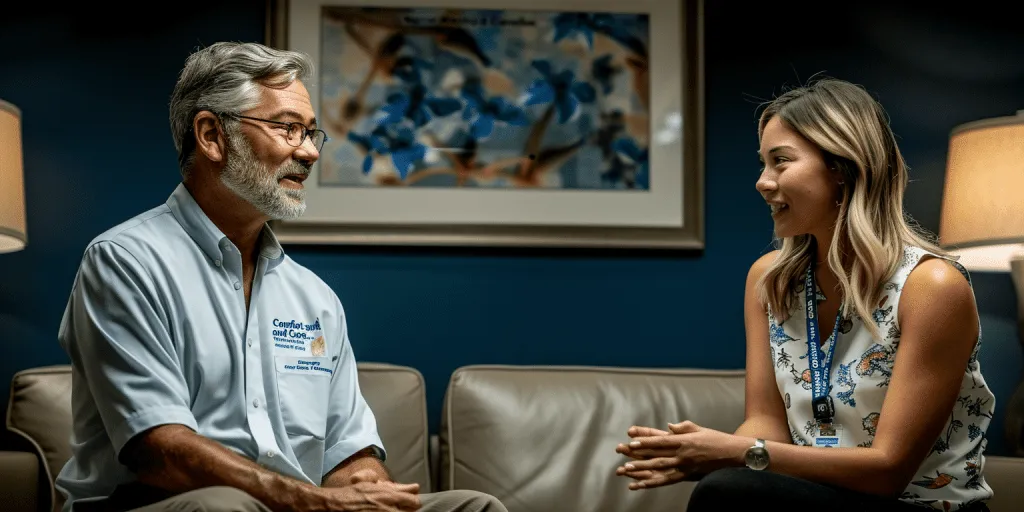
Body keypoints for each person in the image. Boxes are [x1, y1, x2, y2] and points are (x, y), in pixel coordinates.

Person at [54, 41, 507, 512]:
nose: (309, 153)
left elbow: (350, 452)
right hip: (160, 502)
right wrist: (310, 501)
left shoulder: (315, 299)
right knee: (224, 508)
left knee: (474, 506)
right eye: (288, 129)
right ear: (211, 135)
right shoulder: (125, 262)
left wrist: (363, 492)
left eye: (311, 134)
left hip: (301, 506)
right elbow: (159, 451)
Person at [613, 78, 995, 512]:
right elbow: (766, 424)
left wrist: (738, 456)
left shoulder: (932, 286)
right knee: (727, 487)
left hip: (920, 505)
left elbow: (889, 470)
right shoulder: (769, 280)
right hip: (815, 497)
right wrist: (707, 455)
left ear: (843, 168)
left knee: (729, 490)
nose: (762, 182)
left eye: (781, 162)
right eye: (763, 163)